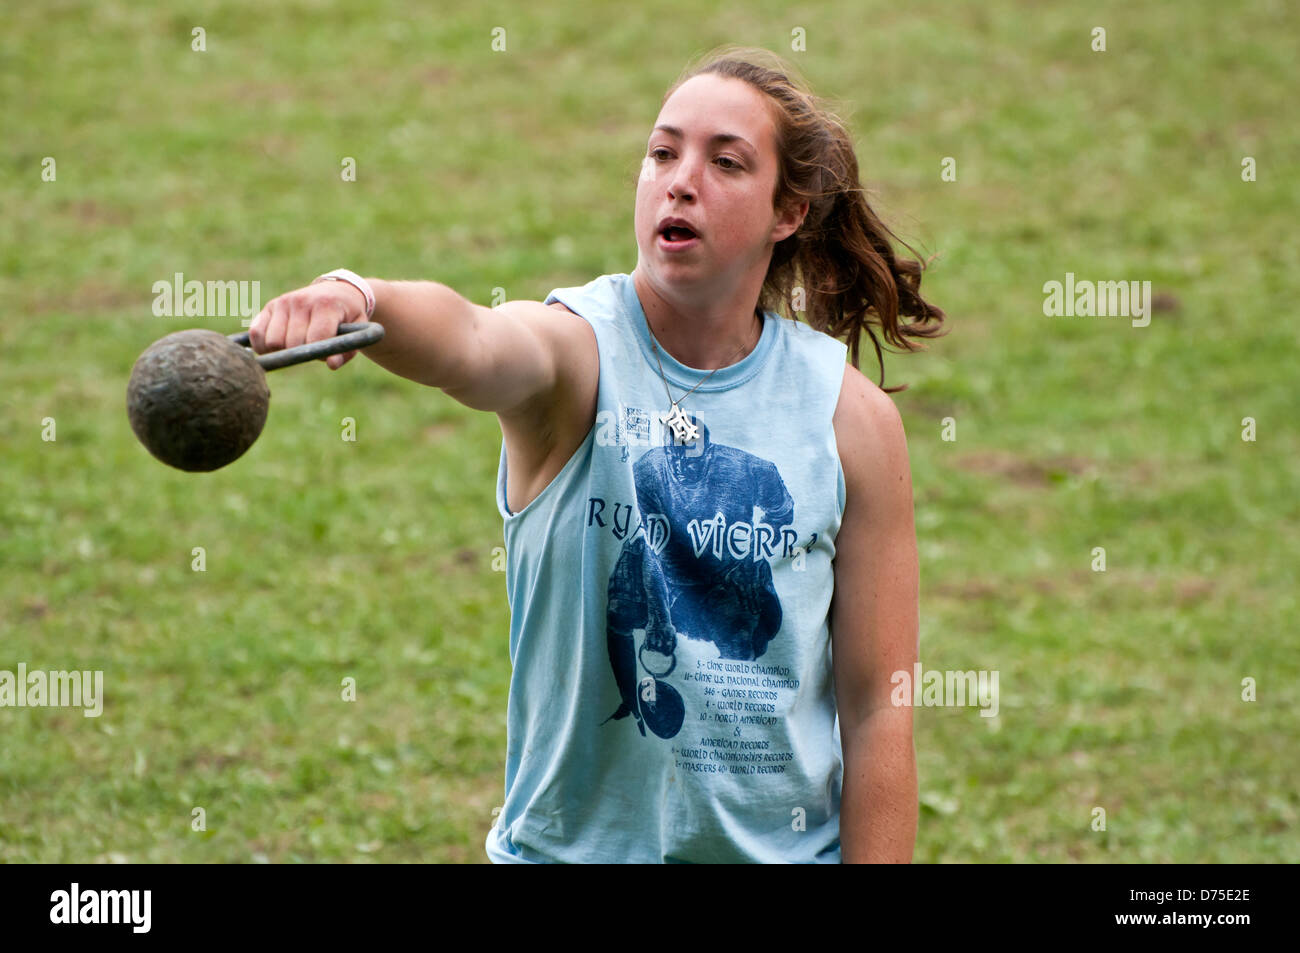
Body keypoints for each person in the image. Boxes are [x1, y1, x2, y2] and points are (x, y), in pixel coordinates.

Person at [248, 45, 946, 863]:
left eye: (725, 162)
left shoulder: (848, 418)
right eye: (662, 152)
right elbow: (472, 339)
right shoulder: (578, 359)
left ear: (786, 212)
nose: (680, 179)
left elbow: (879, 708)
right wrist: (360, 296)